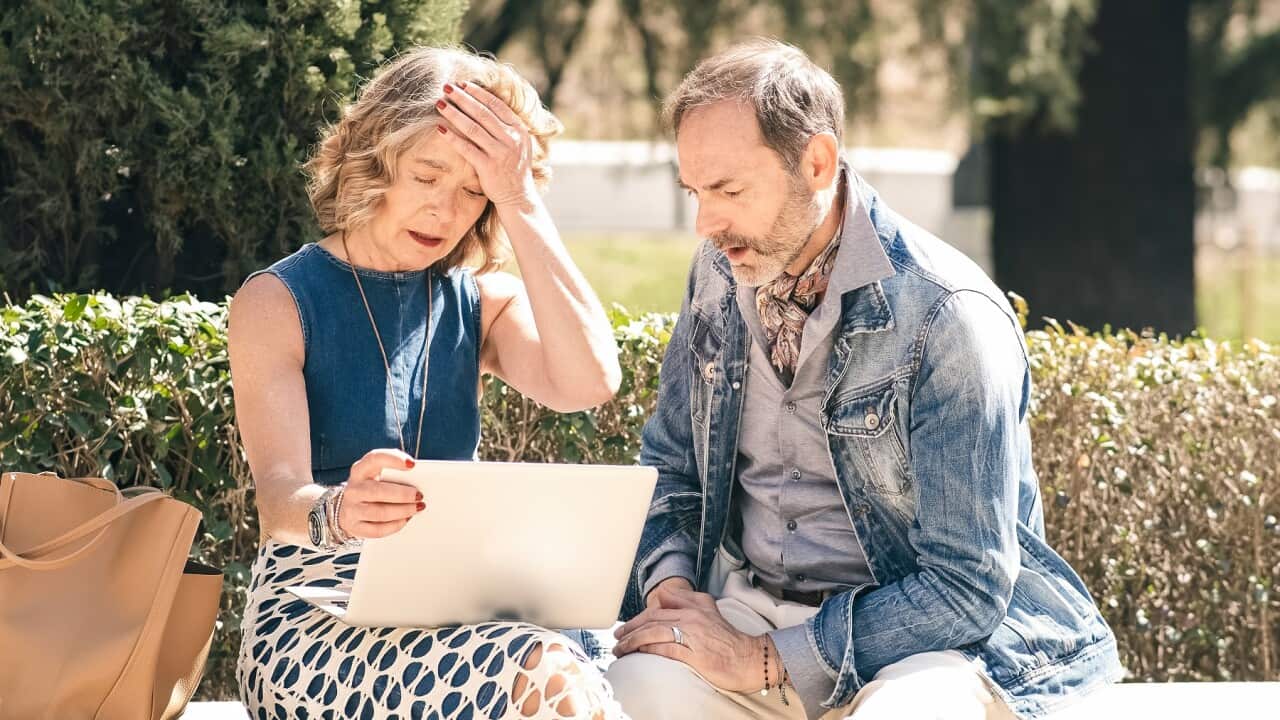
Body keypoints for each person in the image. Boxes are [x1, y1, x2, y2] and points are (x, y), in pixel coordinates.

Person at [605, 39, 1122, 720]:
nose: (707, 224)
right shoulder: (719, 270)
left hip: (929, 652)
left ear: (816, 162)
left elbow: (966, 588)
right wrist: (671, 589)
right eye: (695, 192)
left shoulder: (948, 316)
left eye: (728, 190)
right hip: (750, 612)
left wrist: (769, 661)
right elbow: (671, 465)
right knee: (617, 697)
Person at [228, 46, 625, 719]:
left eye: (475, 189)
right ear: (373, 159)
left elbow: (590, 381)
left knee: (598, 660)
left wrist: (521, 197)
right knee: (551, 674)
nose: (445, 211)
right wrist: (340, 509)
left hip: (460, 609)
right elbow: (276, 500)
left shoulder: (480, 300)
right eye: (427, 174)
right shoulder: (276, 301)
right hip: (317, 624)